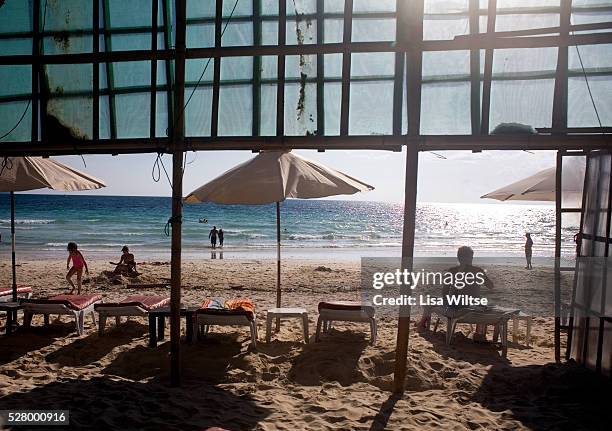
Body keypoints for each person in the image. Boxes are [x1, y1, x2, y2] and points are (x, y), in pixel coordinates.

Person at [417, 246, 494, 330]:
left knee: (430, 300)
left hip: (458, 307)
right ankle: (423, 322)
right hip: (474, 305)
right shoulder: (478, 270)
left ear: (458, 257)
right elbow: (491, 286)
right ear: (471, 257)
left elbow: (445, 292)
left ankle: (422, 323)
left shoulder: (452, 271)